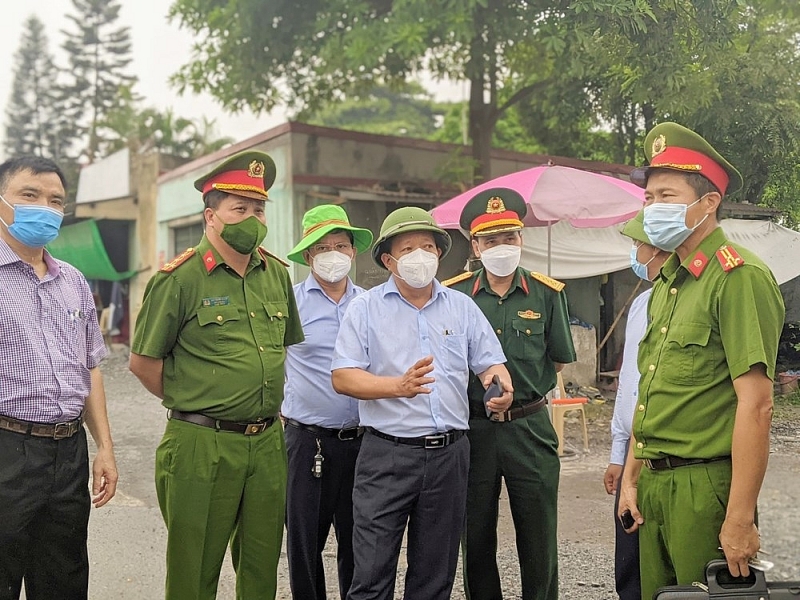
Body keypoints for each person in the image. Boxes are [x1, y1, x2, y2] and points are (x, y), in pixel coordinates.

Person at [618, 122, 785, 600]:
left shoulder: (738, 277)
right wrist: (631, 477)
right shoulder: (669, 282)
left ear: (707, 203)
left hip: (703, 488)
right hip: (654, 485)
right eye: (648, 197)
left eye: (666, 195)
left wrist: (739, 518)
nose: (651, 208)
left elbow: (757, 406)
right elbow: (650, 392)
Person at [129, 150, 304, 600]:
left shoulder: (277, 275)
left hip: (266, 442)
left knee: (262, 567)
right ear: (211, 216)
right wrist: (197, 398)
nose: (252, 218)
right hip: (201, 444)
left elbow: (280, 350)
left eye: (259, 209)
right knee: (194, 572)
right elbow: (144, 363)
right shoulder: (180, 279)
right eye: (239, 209)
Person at [330, 206, 514, 600]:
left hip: (449, 458)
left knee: (434, 576)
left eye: (428, 247)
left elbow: (491, 364)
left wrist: (500, 387)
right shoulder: (365, 308)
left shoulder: (461, 306)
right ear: (388, 260)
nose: (420, 256)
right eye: (409, 248)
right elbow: (342, 376)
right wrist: (396, 386)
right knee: (372, 573)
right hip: (386, 456)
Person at [444, 187, 576, 600]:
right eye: (491, 240)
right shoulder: (454, 294)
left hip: (529, 427)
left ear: (521, 239)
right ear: (475, 245)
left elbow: (556, 362)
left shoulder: (547, 292)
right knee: (475, 536)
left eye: (510, 238)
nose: (502, 247)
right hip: (473, 429)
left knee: (538, 536)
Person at [0, 156, 117, 600]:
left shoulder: (72, 281)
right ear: (2, 202)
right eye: (29, 195)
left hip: (67, 452)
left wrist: (104, 447)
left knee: (63, 579)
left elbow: (90, 366)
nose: (44, 208)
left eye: (55, 201)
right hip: (6, 448)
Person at [282, 204, 373, 600]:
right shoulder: (290, 304)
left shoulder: (373, 303)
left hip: (365, 442)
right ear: (308, 256)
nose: (333, 254)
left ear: (353, 252)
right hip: (307, 443)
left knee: (361, 542)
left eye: (340, 244)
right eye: (322, 247)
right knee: (304, 543)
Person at [603, 210, 669, 600]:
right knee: (630, 566)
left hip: (666, 451)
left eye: (637, 245)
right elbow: (629, 384)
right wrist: (616, 451)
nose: (634, 253)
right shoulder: (642, 304)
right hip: (632, 452)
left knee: (667, 568)